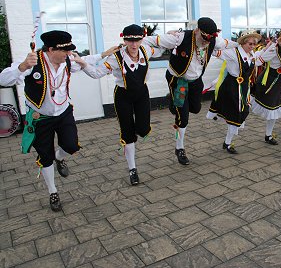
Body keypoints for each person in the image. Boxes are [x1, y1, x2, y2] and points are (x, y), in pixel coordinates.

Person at [0, 30, 104, 211]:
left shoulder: (68, 61)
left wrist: (105, 54)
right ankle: (52, 191)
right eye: (65, 51)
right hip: (41, 117)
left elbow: (89, 59)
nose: (69, 54)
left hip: (63, 112)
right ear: (51, 50)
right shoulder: (33, 62)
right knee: (44, 156)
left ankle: (60, 158)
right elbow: (3, 78)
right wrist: (23, 66)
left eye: (70, 51)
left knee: (71, 145)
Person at [145, 17, 238, 165]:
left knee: (195, 108)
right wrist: (135, 46)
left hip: (196, 81)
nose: (207, 42)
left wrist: (244, 44)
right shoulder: (179, 38)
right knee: (183, 118)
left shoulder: (214, 41)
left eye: (210, 39)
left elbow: (228, 44)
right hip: (179, 81)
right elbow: (151, 41)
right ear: (197, 30)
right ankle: (179, 147)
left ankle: (174, 101)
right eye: (204, 37)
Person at [82, 24, 164, 186]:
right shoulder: (115, 57)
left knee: (142, 129)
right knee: (127, 133)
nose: (133, 45)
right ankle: (132, 168)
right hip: (123, 96)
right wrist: (83, 63)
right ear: (124, 40)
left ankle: (132, 135)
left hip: (142, 94)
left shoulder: (146, 50)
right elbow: (97, 73)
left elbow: (161, 49)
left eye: (137, 40)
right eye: (129, 40)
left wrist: (173, 39)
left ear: (142, 39)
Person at [206, 30, 262, 153]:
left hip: (244, 87)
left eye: (254, 44)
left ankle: (227, 142)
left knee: (240, 113)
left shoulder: (252, 54)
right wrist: (210, 40)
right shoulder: (232, 52)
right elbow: (215, 52)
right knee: (237, 114)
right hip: (231, 87)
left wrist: (271, 48)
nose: (252, 46)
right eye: (250, 44)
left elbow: (259, 60)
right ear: (242, 43)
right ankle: (228, 143)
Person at [251, 23, 281, 145]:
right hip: (268, 83)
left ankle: (268, 135)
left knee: (274, 110)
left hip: (280, 84)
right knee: (260, 107)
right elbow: (258, 61)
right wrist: (261, 51)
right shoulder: (275, 48)